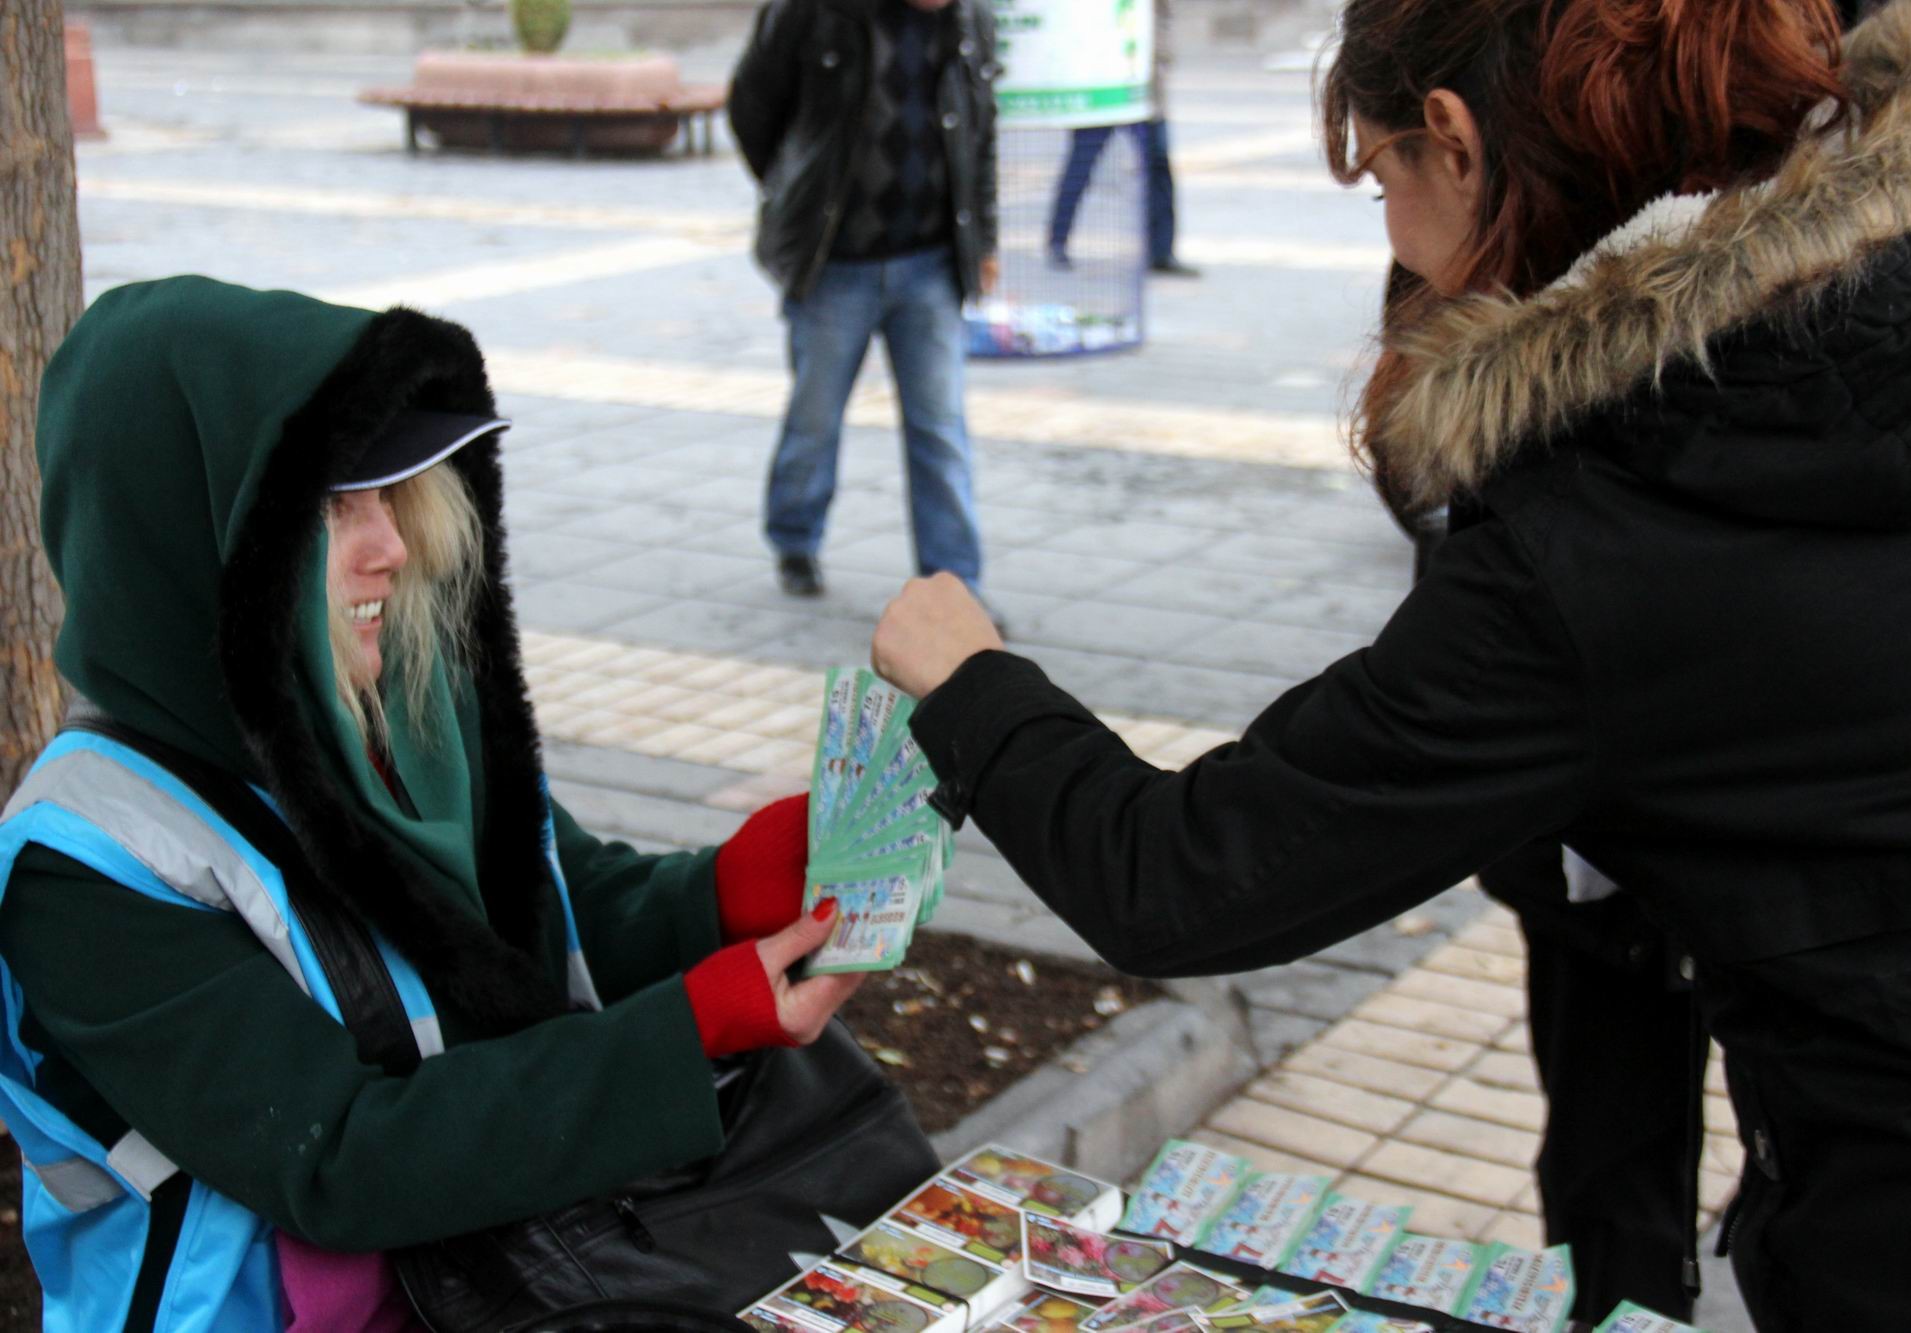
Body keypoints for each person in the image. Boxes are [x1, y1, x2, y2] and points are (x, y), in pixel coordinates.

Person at [869, 0, 1911, 1325]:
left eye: (1384, 177)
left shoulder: (1617, 524)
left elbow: (1192, 875)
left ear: (1457, 145)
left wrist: (971, 682)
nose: (1393, 237)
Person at [0, 276, 871, 1329]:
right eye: (334, 506)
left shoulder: (387, 715)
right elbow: (340, 1153)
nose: (395, 546)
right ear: (192, 544)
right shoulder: (83, 864)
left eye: (389, 494)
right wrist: (677, 1041)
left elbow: (545, 913)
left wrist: (725, 892)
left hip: (497, 1279)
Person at [727, 0, 1000, 601]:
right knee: (815, 417)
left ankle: (954, 584)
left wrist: (985, 237)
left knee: (941, 428)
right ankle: (795, 540)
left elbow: (980, 136)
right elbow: (752, 104)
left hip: (930, 265)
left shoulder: (969, 19)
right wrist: (794, 185)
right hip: (835, 266)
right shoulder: (813, 12)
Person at [1047, 0, 1200, 278]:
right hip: (1098, 85)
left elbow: (1162, 17)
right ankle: (1057, 241)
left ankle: (1162, 251)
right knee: (1081, 163)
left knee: (1158, 164)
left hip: (1143, 86)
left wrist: (1161, 59)